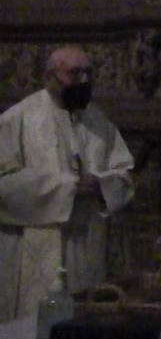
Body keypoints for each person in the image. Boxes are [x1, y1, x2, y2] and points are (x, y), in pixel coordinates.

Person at [0, 46, 134, 321]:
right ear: (50, 77)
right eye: (75, 73)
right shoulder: (18, 119)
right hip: (36, 251)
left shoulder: (99, 121)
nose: (84, 80)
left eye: (89, 73)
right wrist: (67, 187)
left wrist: (102, 185)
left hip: (86, 248)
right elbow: (4, 184)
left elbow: (124, 175)